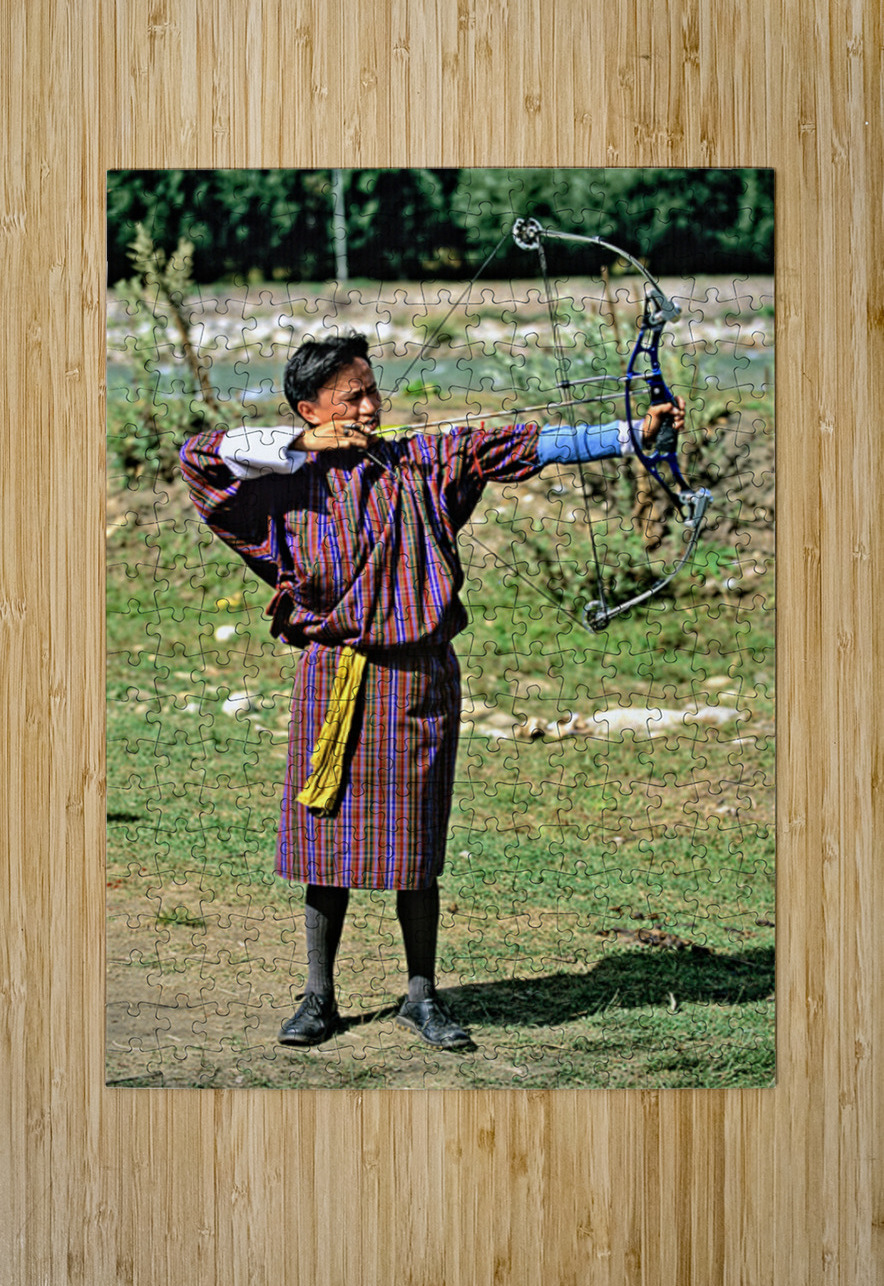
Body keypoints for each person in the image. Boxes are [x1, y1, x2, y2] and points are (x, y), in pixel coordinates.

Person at [179, 333, 683, 1051]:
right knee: (327, 846)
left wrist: (632, 432)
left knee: (415, 847)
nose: (371, 405)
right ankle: (318, 997)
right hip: (334, 676)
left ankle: (422, 994)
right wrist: (297, 444)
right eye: (352, 395)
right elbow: (196, 458)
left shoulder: (422, 461)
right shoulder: (279, 484)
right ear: (310, 407)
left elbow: (523, 445)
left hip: (418, 680)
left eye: (372, 389)